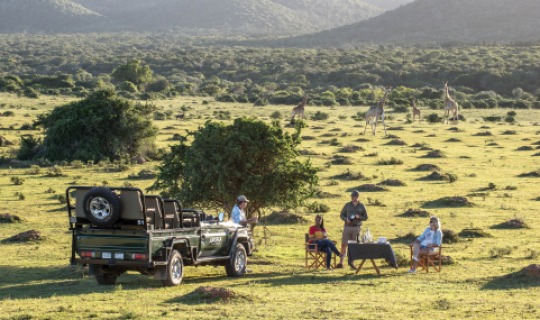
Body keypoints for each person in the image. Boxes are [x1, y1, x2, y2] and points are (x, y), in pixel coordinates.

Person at [337, 190, 368, 268]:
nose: (352, 198)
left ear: (357, 197)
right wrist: (345, 219)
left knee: (353, 245)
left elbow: (365, 217)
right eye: (351, 196)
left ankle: (352, 263)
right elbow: (341, 215)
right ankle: (340, 263)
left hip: (356, 228)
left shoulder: (362, 206)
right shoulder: (347, 205)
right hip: (347, 227)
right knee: (344, 244)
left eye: (353, 196)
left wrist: (359, 217)